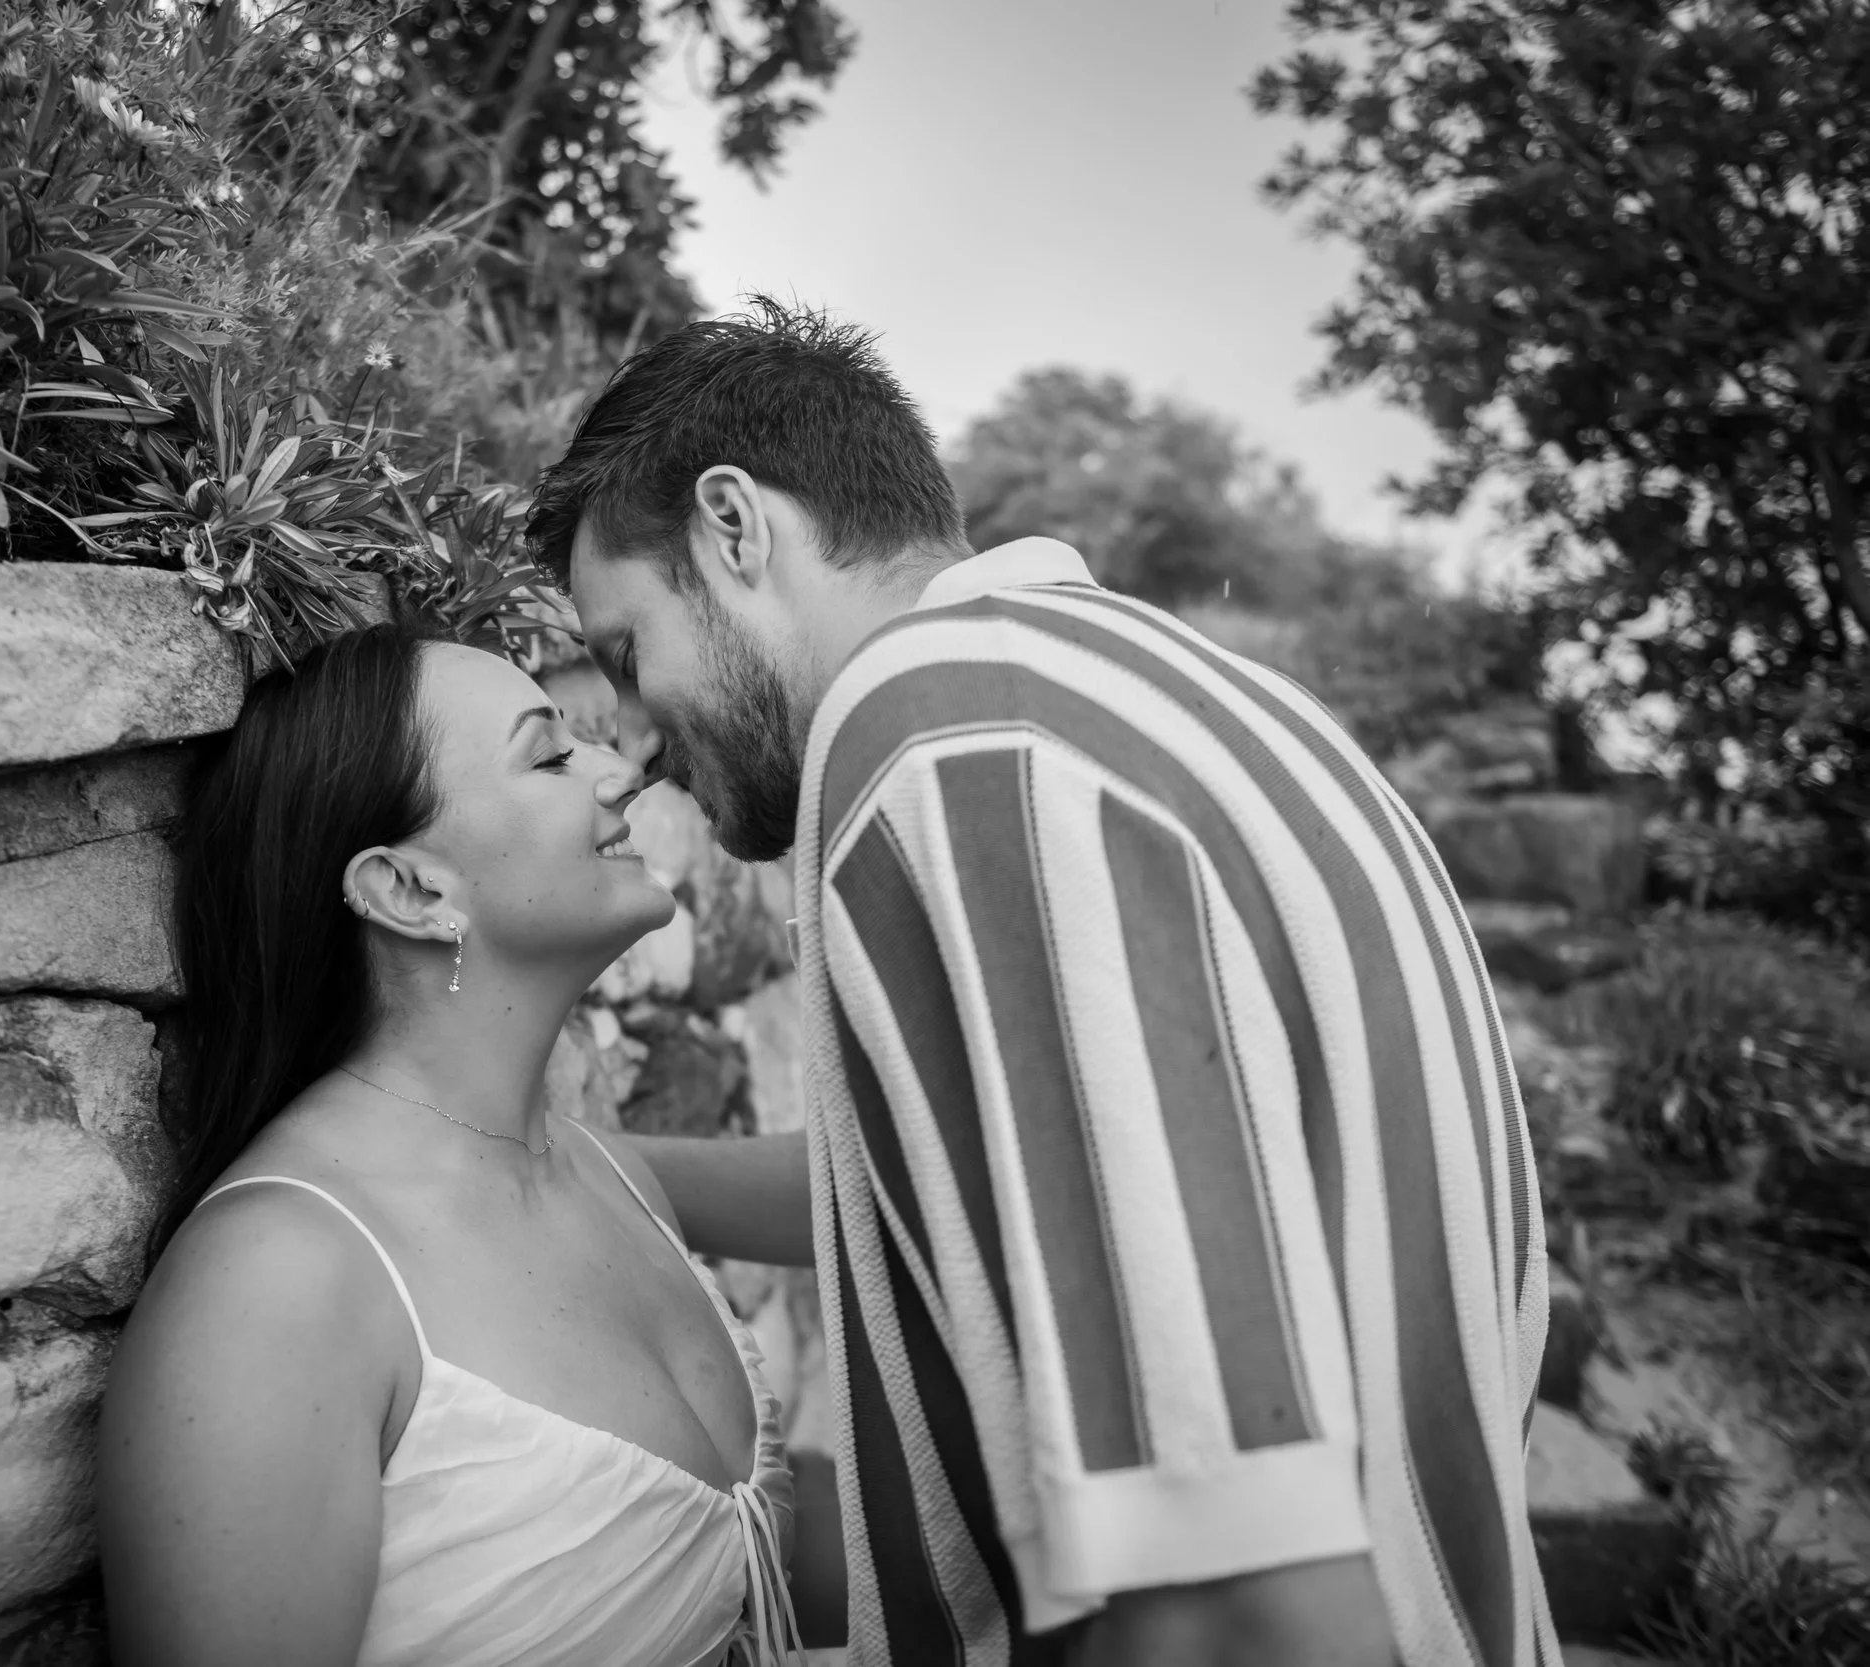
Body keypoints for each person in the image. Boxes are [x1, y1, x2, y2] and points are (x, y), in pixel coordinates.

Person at [532, 300, 1562, 1667]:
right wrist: (583, 1174)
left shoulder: (949, 739)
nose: (638, 745)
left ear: (735, 527)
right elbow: (1027, 1176)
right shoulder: (1183, 701)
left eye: (622, 656)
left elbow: (1242, 1594)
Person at [97, 626, 836, 1667]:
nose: (623, 771)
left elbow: (867, 1190)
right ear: (410, 890)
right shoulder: (279, 1284)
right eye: (549, 753)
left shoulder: (606, 1175)